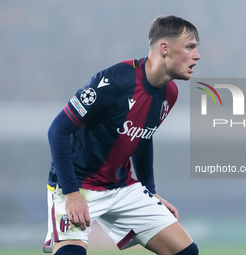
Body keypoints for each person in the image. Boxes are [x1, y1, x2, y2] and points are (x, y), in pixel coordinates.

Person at [43, 15, 200, 255]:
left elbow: (143, 138)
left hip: (121, 185)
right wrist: (72, 193)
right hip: (78, 184)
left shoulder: (170, 93)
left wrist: (150, 190)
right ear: (165, 48)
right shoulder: (116, 80)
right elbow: (58, 130)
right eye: (190, 47)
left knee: (186, 252)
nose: (197, 56)